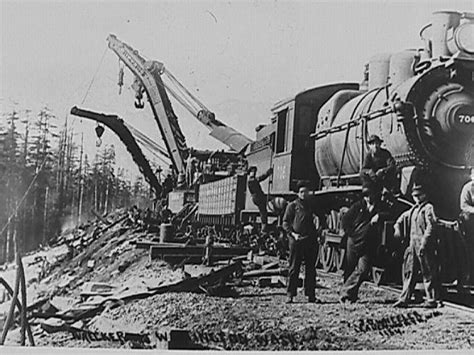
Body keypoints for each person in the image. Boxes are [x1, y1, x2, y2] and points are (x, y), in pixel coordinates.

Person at [392, 184, 441, 308]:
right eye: (415, 196)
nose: (417, 198)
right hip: (413, 244)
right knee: (410, 272)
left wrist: (425, 242)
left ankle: (432, 299)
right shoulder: (413, 209)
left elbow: (431, 226)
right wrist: (397, 227)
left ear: (424, 195)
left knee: (428, 271)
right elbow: (402, 218)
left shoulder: (428, 208)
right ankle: (404, 298)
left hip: (425, 244)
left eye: (419, 195)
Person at [340, 184, 388, 303]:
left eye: (370, 195)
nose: (368, 198)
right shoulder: (358, 206)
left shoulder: (380, 206)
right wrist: (352, 233)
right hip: (354, 242)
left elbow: (393, 212)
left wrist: (379, 215)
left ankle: (345, 291)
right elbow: (345, 220)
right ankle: (350, 296)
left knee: (363, 270)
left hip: (368, 244)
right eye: (366, 196)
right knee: (349, 268)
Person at [282, 182, 319, 304]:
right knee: (293, 267)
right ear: (298, 193)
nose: (304, 194)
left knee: (310, 269)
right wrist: (293, 234)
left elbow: (318, 219)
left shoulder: (311, 206)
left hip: (309, 240)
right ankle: (290, 294)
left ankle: (311, 295)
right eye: (301, 192)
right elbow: (286, 222)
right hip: (296, 240)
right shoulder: (292, 206)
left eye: (306, 191)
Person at [247, 166, 273, 232]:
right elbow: (261, 178)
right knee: (263, 211)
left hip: (259, 196)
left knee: (264, 210)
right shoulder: (251, 180)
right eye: (252, 172)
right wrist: (268, 173)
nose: (254, 173)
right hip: (257, 197)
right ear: (249, 173)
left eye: (254, 172)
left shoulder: (252, 180)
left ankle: (264, 226)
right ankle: (264, 227)